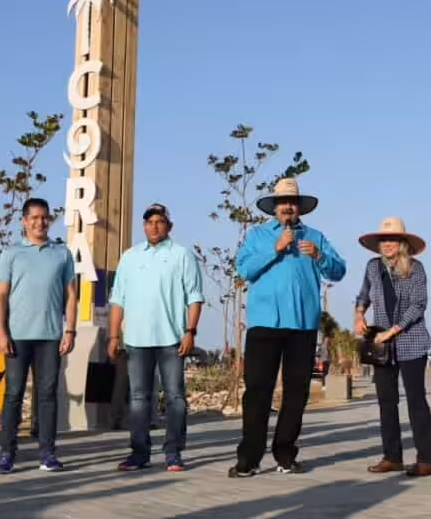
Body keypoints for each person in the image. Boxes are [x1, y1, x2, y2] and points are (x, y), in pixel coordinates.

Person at [228, 177, 346, 478]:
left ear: (299, 207)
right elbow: (243, 269)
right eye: (282, 203)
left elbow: (339, 269)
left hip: (303, 325)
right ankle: (249, 459)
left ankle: (285, 454)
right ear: (275, 208)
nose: (288, 208)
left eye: (292, 203)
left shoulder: (315, 237)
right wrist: (275, 249)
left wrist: (319, 256)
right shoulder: (257, 236)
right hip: (264, 325)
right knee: (257, 392)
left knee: (297, 392)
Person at [107, 203, 204, 471]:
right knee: (138, 398)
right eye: (149, 221)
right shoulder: (130, 256)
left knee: (175, 397)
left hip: (171, 339)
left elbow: (194, 297)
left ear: (169, 226)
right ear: (143, 225)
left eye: (160, 221)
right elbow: (118, 300)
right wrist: (113, 336)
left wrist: (190, 331)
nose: (154, 226)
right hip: (136, 340)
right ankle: (139, 453)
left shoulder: (181, 255)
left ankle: (173, 452)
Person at [0, 197, 77, 474]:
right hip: (17, 337)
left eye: (44, 217)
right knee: (13, 394)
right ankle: (6, 454)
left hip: (50, 336)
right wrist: (1, 332)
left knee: (48, 395)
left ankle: (48, 453)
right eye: (34, 218)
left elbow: (71, 296)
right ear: (24, 221)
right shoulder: (11, 253)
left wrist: (70, 330)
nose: (40, 222)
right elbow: (1, 296)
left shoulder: (61, 253)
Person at [353, 216, 431, 477]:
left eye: (392, 239)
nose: (387, 244)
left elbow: (418, 305)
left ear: (402, 242)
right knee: (386, 401)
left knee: (416, 401)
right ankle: (392, 456)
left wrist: (393, 330)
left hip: (411, 341)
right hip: (381, 347)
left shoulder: (416, 269)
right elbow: (364, 294)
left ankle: (426, 459)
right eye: (383, 240)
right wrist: (359, 314)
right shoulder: (372, 267)